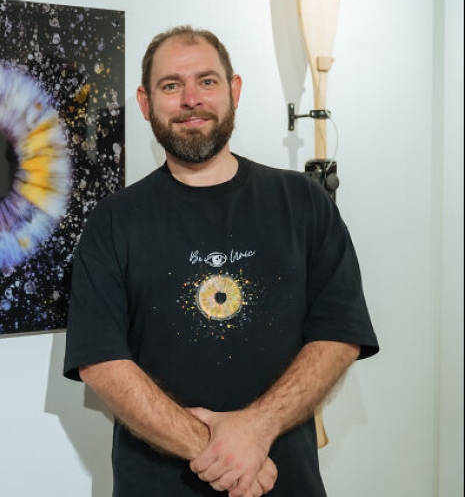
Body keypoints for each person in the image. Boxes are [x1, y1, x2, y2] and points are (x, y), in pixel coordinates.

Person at [63, 25, 379, 497]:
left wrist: (256, 428)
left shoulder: (304, 204)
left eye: (207, 81)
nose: (192, 98)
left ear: (233, 91)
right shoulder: (113, 221)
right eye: (172, 86)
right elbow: (102, 363)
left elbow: (340, 334)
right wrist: (221, 451)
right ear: (146, 102)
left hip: (286, 484)